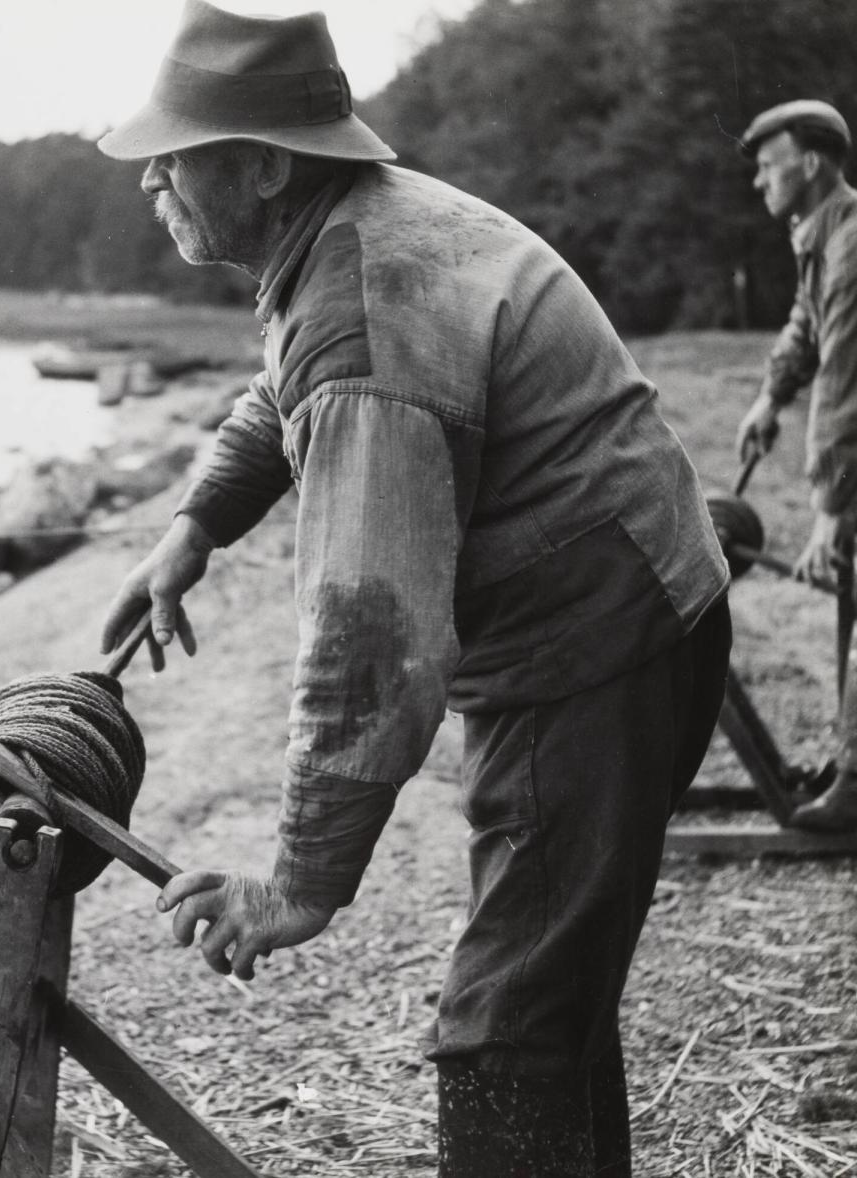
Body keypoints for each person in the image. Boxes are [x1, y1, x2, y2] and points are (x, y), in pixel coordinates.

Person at [97, 3, 731, 1173]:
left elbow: (374, 654)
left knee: (504, 1031)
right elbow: (280, 394)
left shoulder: (368, 312)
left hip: (596, 644)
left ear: (265, 163)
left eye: (171, 156)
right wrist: (193, 526)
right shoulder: (347, 236)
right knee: (551, 993)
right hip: (616, 602)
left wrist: (298, 884)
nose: (150, 182)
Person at [734, 99, 857, 832]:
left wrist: (828, 516)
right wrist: (767, 397)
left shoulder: (852, 247)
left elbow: (844, 388)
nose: (759, 181)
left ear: (809, 165)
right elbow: (807, 326)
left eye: (768, 165)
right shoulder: (823, 232)